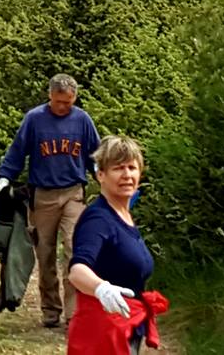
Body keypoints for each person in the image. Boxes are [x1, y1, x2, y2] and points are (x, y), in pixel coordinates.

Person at [0, 74, 101, 328]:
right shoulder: (34, 119)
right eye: (58, 101)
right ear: (50, 96)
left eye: (68, 102)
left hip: (73, 192)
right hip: (43, 195)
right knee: (45, 253)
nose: (63, 107)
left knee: (75, 249)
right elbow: (17, 153)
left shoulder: (82, 120)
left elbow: (95, 156)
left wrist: (104, 178)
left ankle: (75, 313)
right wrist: (4, 181)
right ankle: (50, 308)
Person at [67, 136, 164, 355]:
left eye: (132, 167)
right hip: (103, 333)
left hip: (124, 327)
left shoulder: (122, 215)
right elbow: (77, 270)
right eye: (118, 168)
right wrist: (102, 288)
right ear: (100, 174)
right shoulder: (98, 219)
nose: (127, 175)